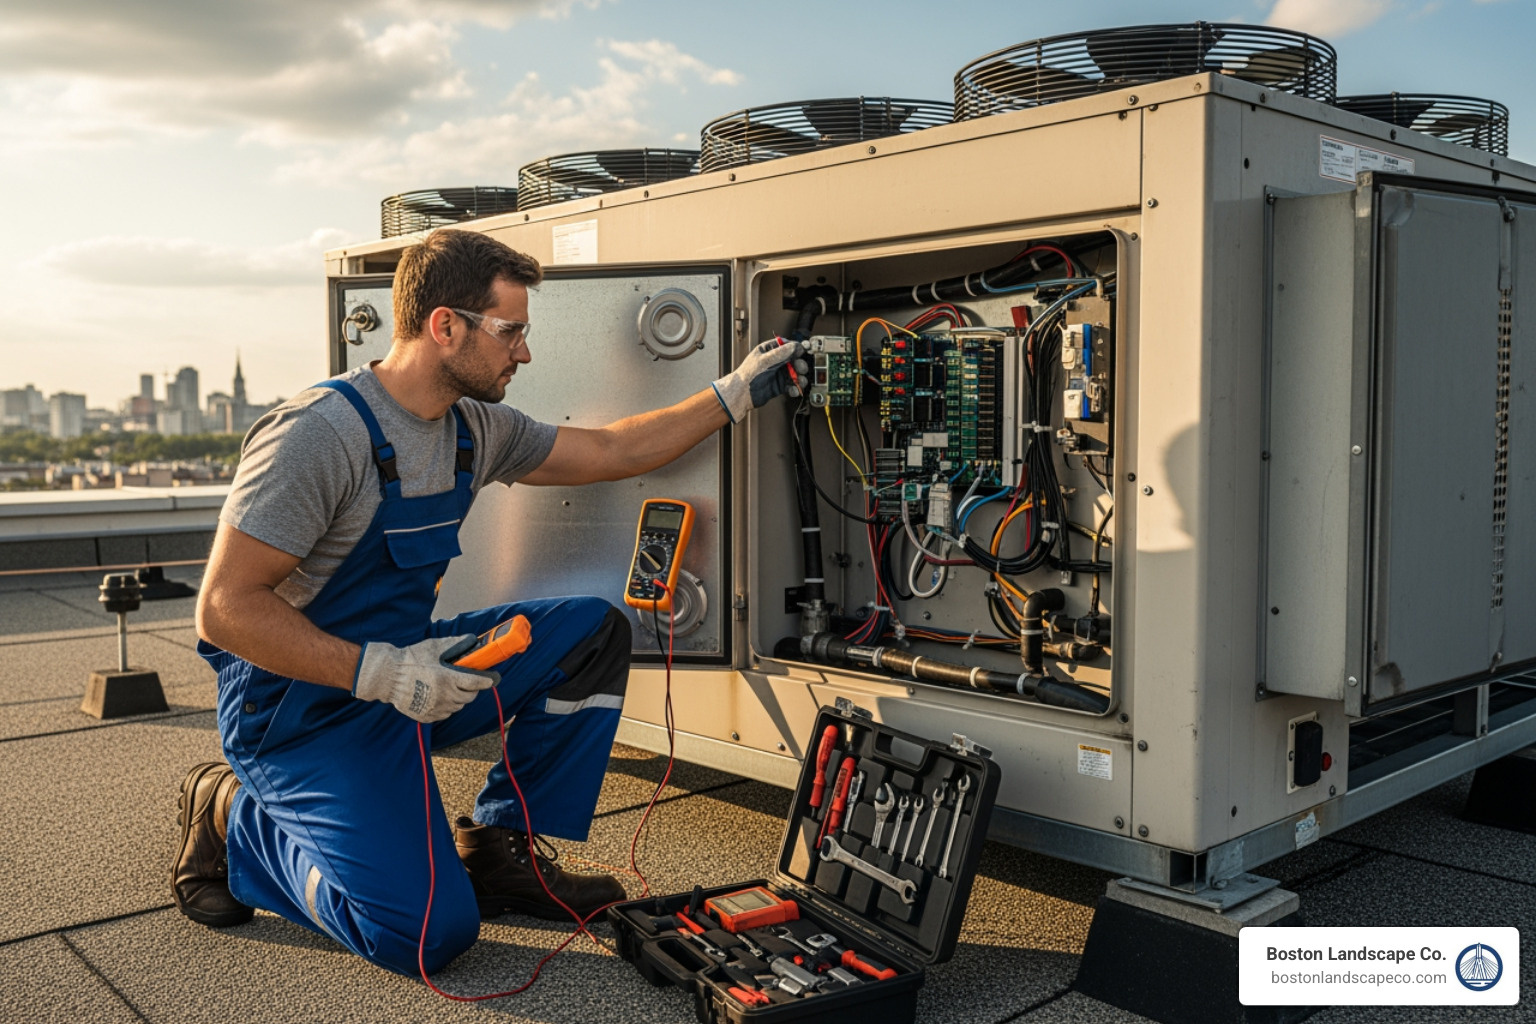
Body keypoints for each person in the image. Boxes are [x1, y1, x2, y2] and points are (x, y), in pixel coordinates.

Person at [172, 229, 801, 976]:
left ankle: (502, 849)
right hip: (301, 715)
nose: (524, 353)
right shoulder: (319, 435)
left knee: (588, 632)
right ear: (445, 326)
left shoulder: (475, 430)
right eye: (511, 331)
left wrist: (731, 396)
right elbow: (225, 609)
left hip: (412, 678)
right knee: (426, 936)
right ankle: (232, 819)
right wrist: (382, 674)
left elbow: (610, 451)